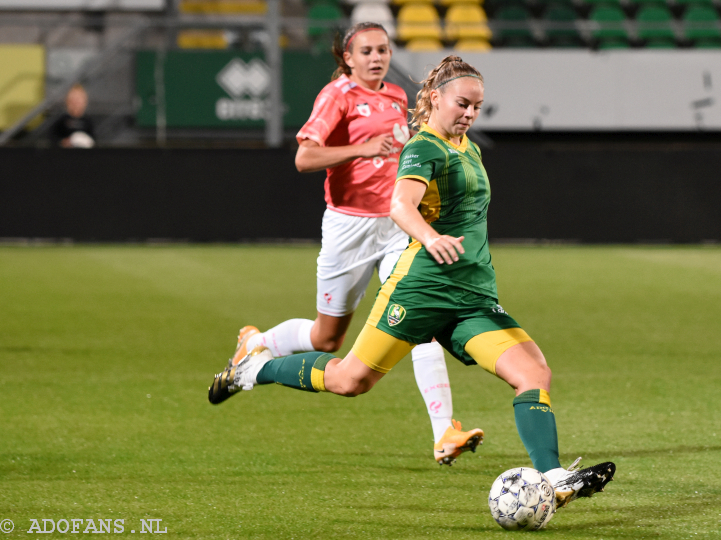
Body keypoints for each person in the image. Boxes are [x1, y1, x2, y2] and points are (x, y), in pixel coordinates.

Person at [210, 54, 616, 508]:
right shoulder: (424, 148)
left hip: (471, 297)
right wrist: (430, 236)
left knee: (533, 372)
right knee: (349, 380)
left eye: (478, 107)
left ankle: (554, 476)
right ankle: (254, 370)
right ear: (436, 97)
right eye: (462, 104)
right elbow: (400, 205)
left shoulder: (469, 148)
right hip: (421, 290)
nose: (469, 114)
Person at [224, 23, 483, 466]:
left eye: (382, 49)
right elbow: (304, 157)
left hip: (395, 226)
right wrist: (360, 149)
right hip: (348, 226)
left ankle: (444, 431)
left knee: (420, 319)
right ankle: (258, 342)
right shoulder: (336, 96)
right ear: (348, 57)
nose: (376, 57)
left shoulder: (399, 97)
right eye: (366, 51)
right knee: (327, 338)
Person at [51, 84, 95, 148]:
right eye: (74, 98)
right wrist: (64, 142)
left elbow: (93, 141)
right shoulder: (61, 120)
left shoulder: (88, 121)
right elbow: (53, 138)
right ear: (68, 100)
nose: (76, 102)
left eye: (79, 98)